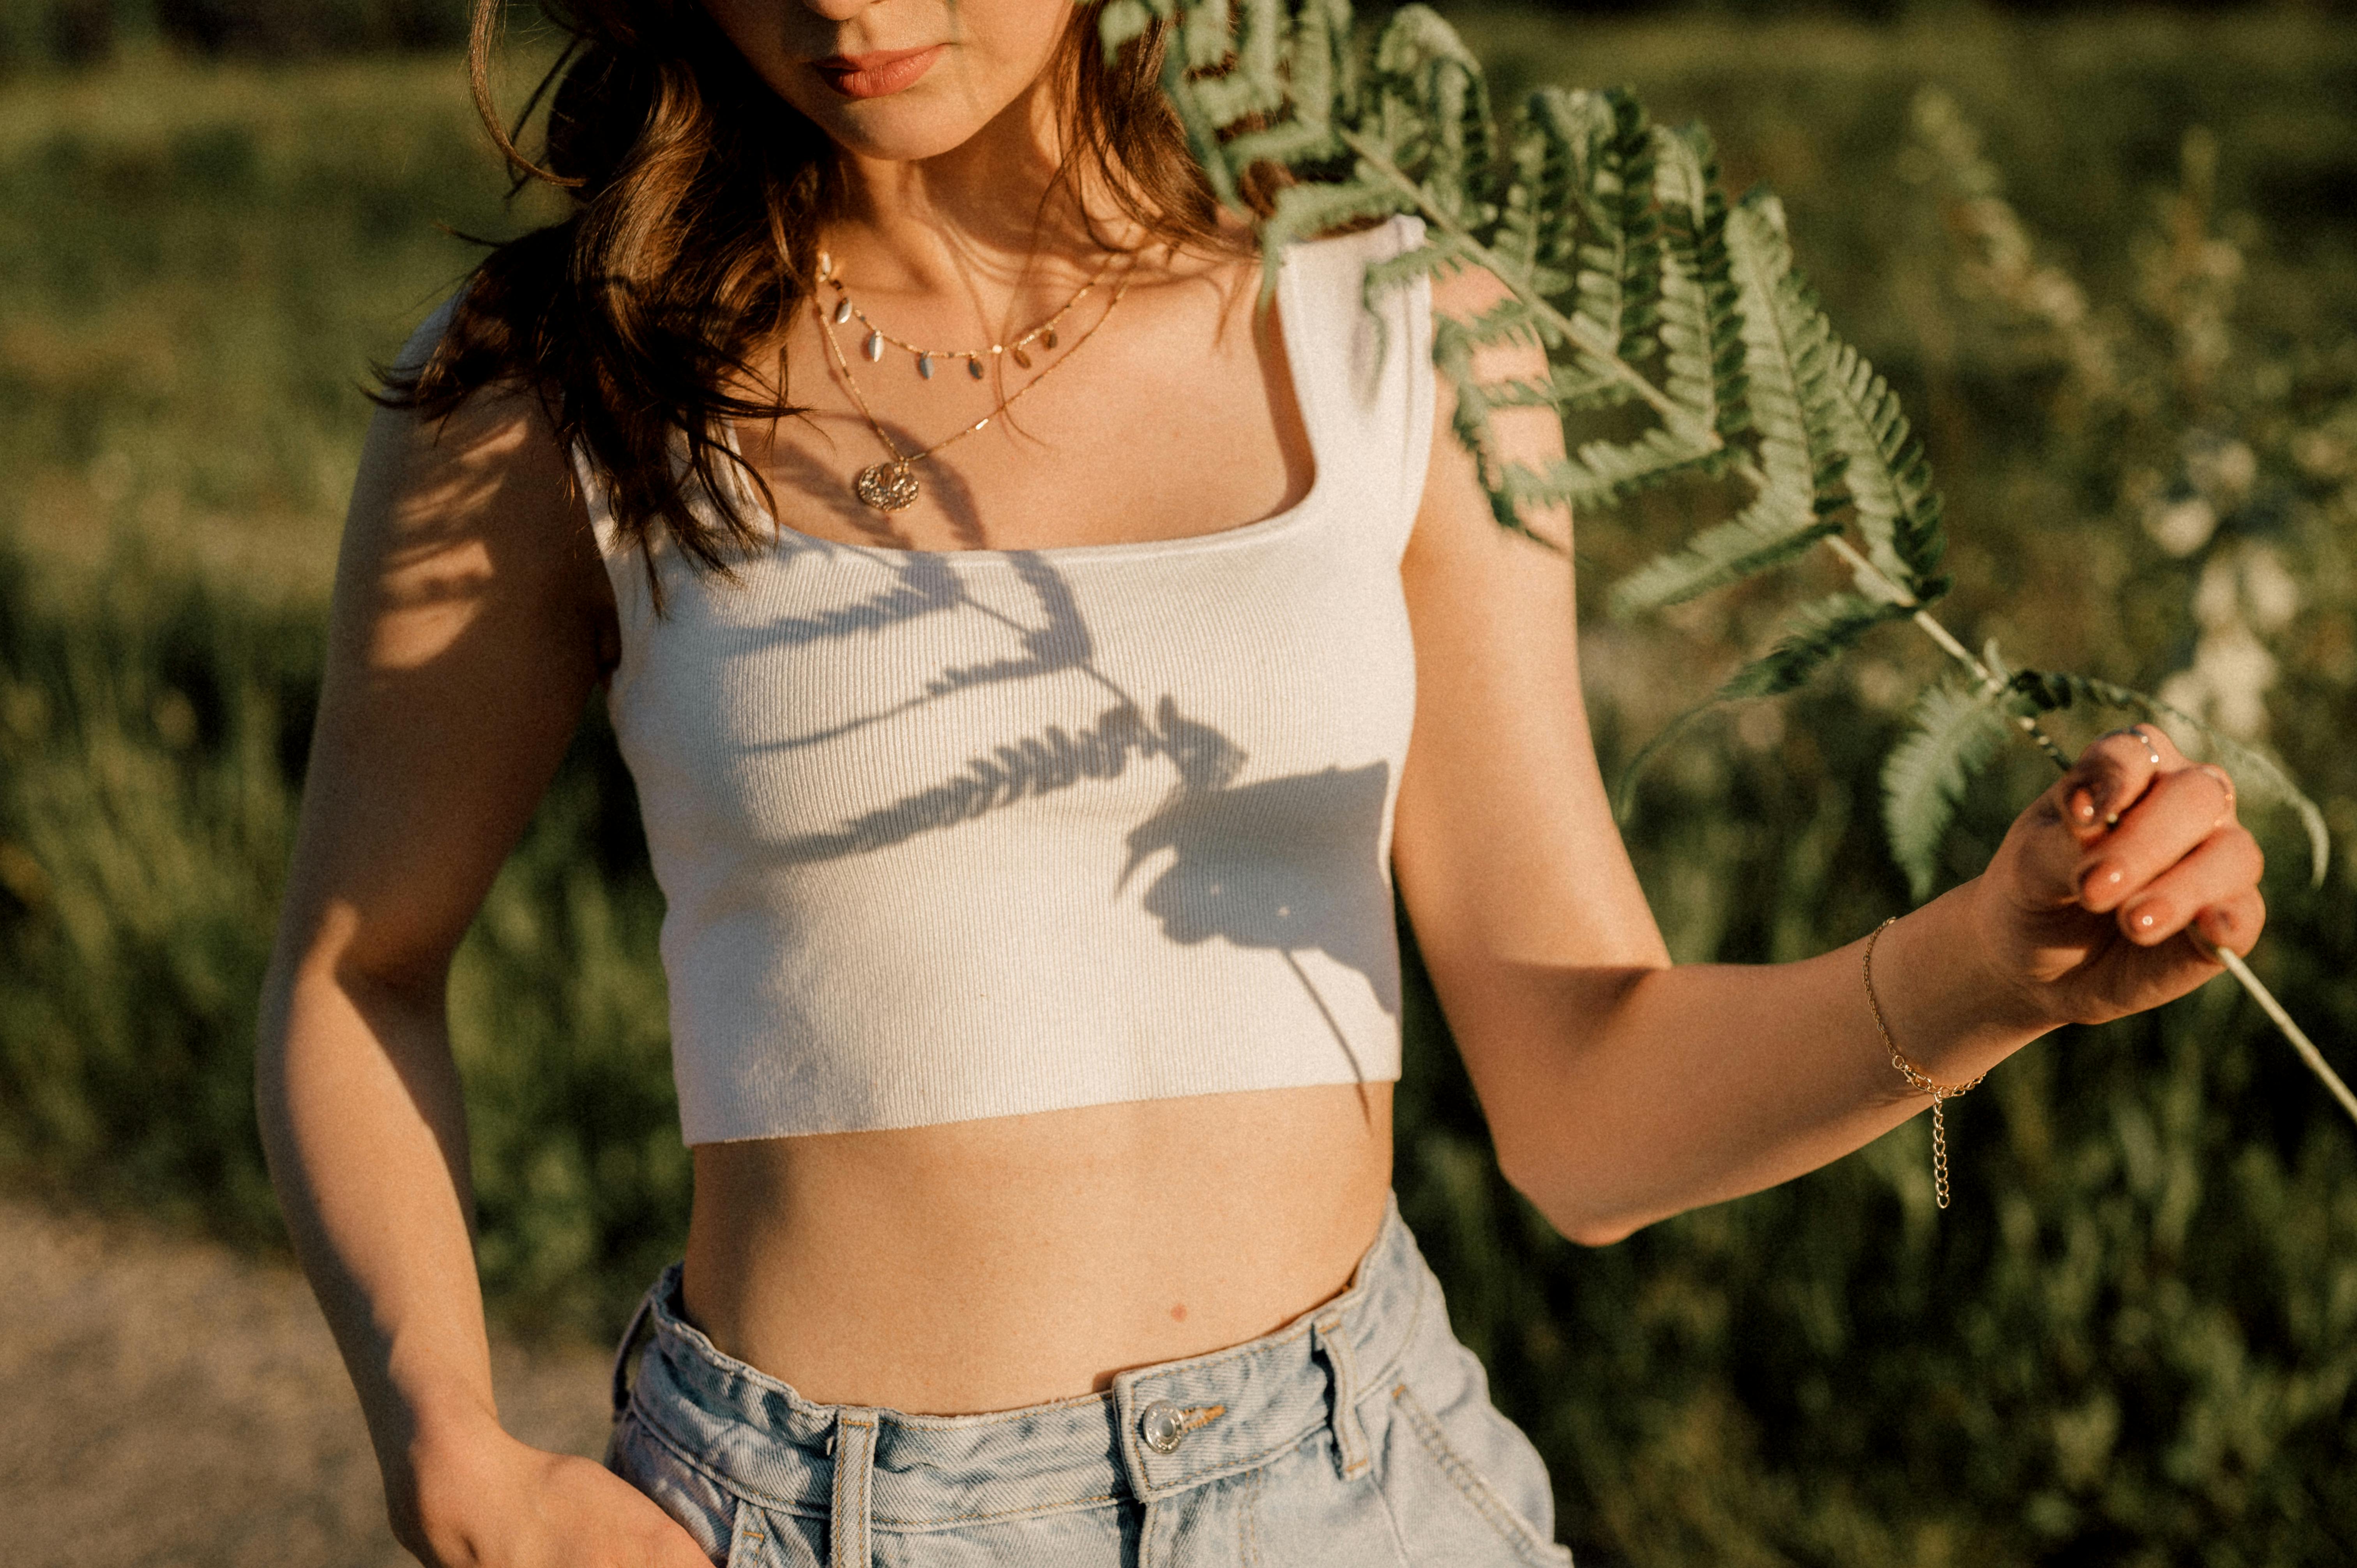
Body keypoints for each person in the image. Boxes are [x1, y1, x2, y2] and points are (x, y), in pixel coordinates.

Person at [251, 0, 2269, 1562]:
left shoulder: (1392, 313)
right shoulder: (564, 377)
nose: (842, 6)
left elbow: (1586, 1103)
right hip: (817, 1514)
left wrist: (2000, 964)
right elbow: (356, 968)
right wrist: (453, 1447)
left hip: (1360, 1481)